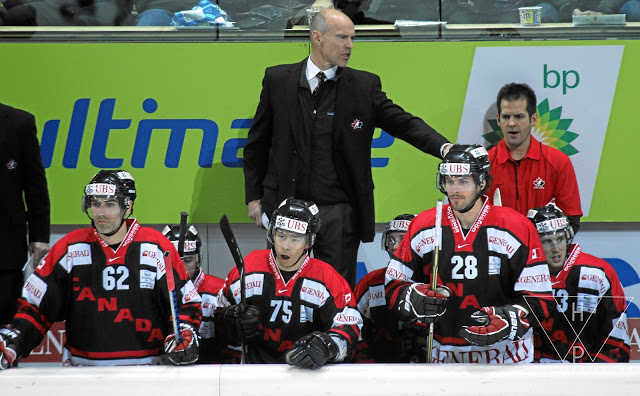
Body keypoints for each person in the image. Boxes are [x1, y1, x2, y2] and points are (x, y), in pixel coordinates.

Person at [243, 8, 452, 289]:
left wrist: (445, 148)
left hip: (338, 212)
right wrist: (254, 198)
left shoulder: (363, 86)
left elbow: (404, 123)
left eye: (352, 38)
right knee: (282, 290)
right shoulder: (277, 80)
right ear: (317, 37)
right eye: (342, 37)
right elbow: (257, 144)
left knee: (336, 292)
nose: (350, 46)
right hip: (285, 206)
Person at [0, 170, 202, 368]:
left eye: (110, 204)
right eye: (96, 203)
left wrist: (185, 333)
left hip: (148, 371)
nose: (101, 212)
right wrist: (14, 339)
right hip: (83, 373)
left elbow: (185, 305)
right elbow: (36, 307)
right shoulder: (70, 248)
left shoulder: (156, 247)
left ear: (128, 206)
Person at [385, 144, 554, 363]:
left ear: (482, 182)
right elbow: (394, 284)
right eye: (449, 181)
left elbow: (541, 299)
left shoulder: (515, 226)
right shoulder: (424, 225)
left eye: (463, 181)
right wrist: (410, 297)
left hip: (506, 358)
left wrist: (510, 319)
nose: (454, 189)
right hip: (443, 356)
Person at [215, 197, 362, 367]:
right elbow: (215, 319)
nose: (286, 246)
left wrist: (327, 345)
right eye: (281, 236)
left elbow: (350, 325)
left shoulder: (327, 278)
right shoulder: (249, 269)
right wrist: (228, 322)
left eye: (295, 239)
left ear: (309, 241)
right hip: (254, 373)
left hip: (307, 376)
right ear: (272, 234)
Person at [527, 204, 630, 362]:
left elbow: (616, 341)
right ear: (534, 243)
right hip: (531, 374)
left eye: (560, 239)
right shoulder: (520, 276)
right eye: (547, 241)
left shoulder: (597, 274)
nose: (556, 248)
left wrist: (593, 378)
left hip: (587, 374)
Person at [486, 82, 583, 235]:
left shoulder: (558, 162)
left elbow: (571, 220)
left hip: (543, 254)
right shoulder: (484, 165)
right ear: (498, 120)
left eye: (519, 116)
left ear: (533, 119)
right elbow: (474, 221)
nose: (511, 123)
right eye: (506, 117)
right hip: (498, 254)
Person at [0, 102, 50, 326]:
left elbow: (35, 184)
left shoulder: (20, 123)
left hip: (5, 246)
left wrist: (39, 237)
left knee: (4, 324)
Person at [354, 213, 416, 363]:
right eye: (391, 239)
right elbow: (353, 328)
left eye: (402, 239)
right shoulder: (371, 282)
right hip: (378, 372)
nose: (394, 246)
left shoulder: (433, 281)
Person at [163, 224, 225, 363]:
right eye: (175, 261)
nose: (182, 268)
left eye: (188, 260)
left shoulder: (219, 290)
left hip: (212, 369)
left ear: (198, 259)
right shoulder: (156, 292)